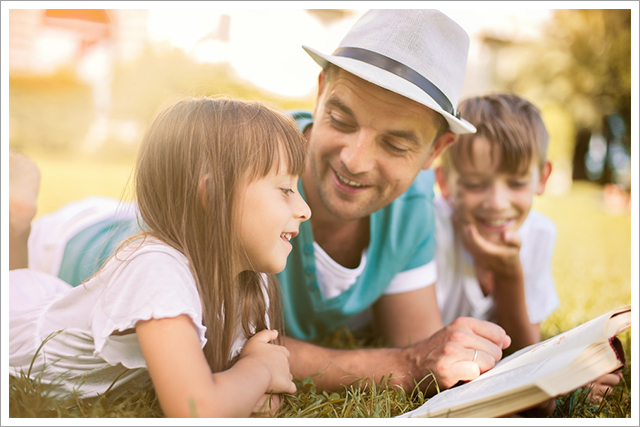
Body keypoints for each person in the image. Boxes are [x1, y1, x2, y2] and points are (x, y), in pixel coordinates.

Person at [24, 10, 511, 397]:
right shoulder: (242, 166)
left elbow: (419, 347)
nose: (355, 159)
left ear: (435, 152)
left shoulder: (412, 206)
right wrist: (402, 366)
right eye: (341, 119)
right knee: (18, 217)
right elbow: (220, 349)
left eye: (396, 145)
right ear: (321, 93)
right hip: (73, 245)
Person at [9, 96, 312, 418]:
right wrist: (260, 368)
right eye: (284, 189)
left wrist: (248, 386)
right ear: (212, 195)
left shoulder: (253, 280)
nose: (304, 211)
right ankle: (14, 222)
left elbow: (254, 399)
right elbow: (196, 410)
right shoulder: (155, 267)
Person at [433, 92, 622, 402]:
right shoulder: (431, 228)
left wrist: (508, 272)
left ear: (541, 178)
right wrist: (562, 379)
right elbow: (431, 358)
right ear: (444, 181)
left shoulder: (539, 233)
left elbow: (524, 346)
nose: (496, 203)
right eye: (476, 184)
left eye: (516, 183)